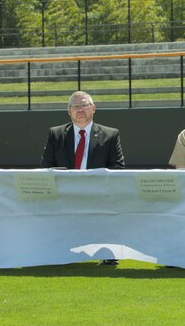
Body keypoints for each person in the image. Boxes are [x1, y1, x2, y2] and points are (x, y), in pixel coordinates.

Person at [40, 90, 125, 266]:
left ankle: (108, 252)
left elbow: (117, 168)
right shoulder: (56, 134)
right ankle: (56, 251)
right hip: (64, 192)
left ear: (93, 109)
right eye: (75, 106)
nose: (80, 109)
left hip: (98, 192)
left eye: (84, 105)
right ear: (69, 111)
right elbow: (46, 167)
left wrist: (95, 184)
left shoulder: (110, 135)